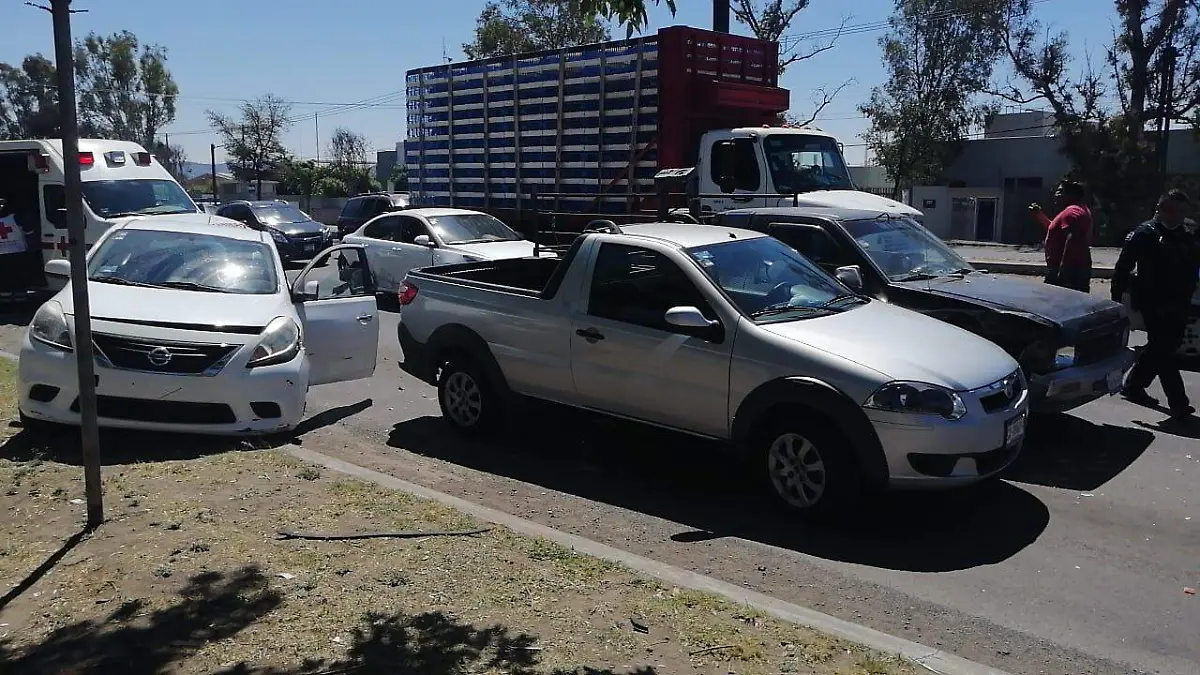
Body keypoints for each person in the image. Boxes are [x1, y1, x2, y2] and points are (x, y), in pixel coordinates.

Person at [1111, 189, 1200, 418]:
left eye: (1180, 211)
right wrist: (1116, 300)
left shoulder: (1190, 232)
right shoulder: (1144, 233)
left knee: (1164, 347)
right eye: (1169, 209)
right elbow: (1123, 268)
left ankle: (1134, 384)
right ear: (1159, 209)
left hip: (1181, 300)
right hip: (1152, 301)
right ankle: (1178, 403)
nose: (1175, 215)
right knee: (1164, 349)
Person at [1029, 180, 1093, 292]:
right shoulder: (1076, 210)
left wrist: (1063, 270)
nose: (1055, 194)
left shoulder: (1071, 212)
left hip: (1068, 270)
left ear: (1071, 195)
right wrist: (1039, 215)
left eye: (1059, 192)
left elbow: (1073, 238)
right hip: (1072, 269)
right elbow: (1054, 229)